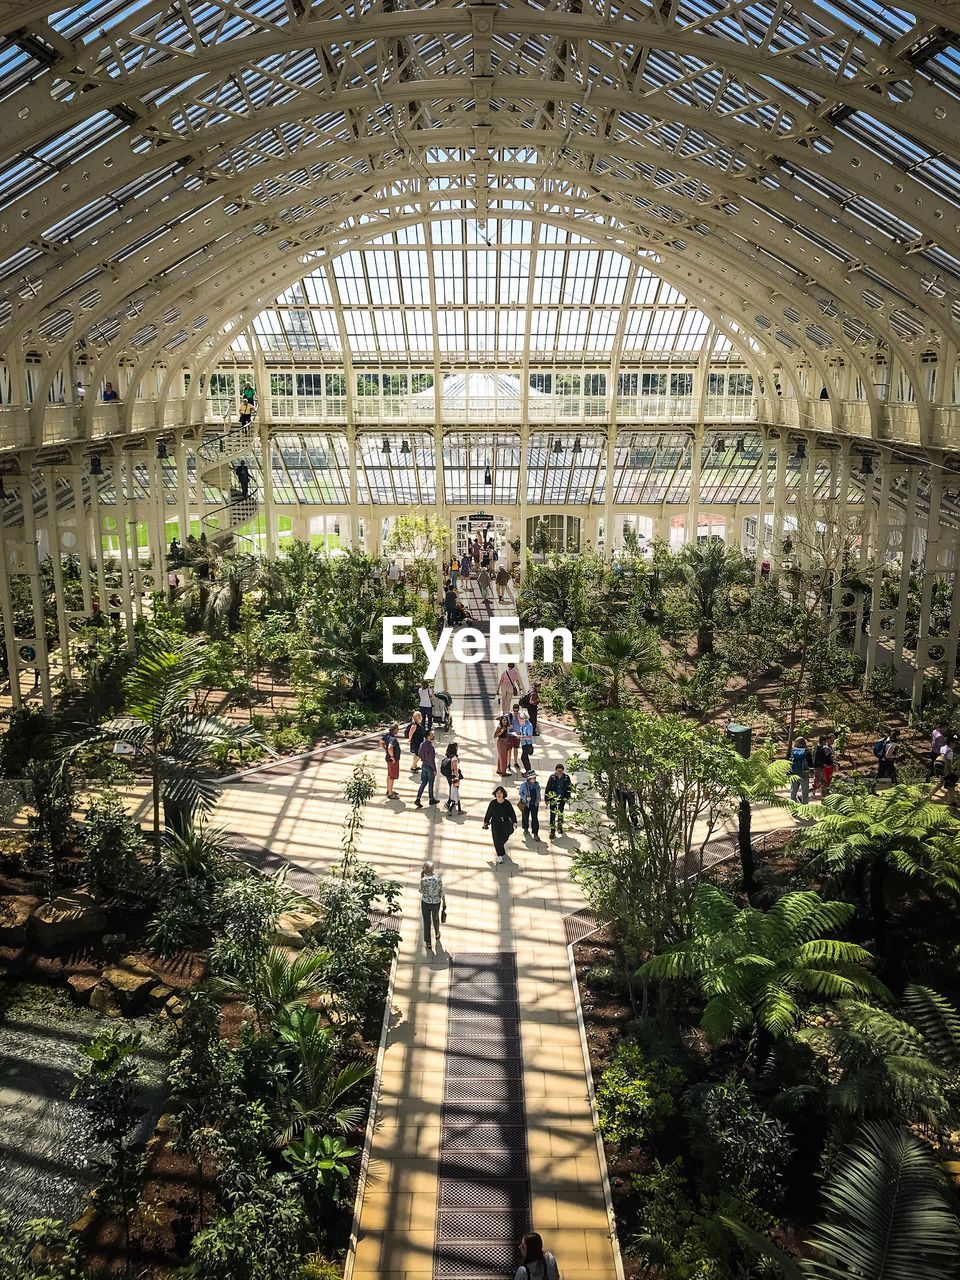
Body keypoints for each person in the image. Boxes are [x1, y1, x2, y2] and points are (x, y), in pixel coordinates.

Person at [483, 785, 518, 864]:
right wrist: (486, 821)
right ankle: (500, 855)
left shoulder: (507, 803)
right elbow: (489, 813)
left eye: (500, 793)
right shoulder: (493, 803)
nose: (498, 794)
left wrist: (514, 821)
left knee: (503, 839)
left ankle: (500, 848)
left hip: (505, 824)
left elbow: (511, 813)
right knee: (496, 840)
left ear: (503, 794)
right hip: (495, 824)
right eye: (497, 793)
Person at [419, 859, 446, 953]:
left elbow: (421, 891)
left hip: (426, 903)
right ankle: (437, 933)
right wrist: (444, 902)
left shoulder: (424, 880)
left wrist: (421, 877)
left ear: (426, 870)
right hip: (436, 903)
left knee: (426, 921)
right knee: (436, 918)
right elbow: (441, 891)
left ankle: (428, 942)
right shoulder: (438, 878)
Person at [545, 763, 572, 839]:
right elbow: (548, 788)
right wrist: (547, 799)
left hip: (562, 797)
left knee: (560, 813)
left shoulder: (566, 778)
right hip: (553, 798)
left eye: (561, 771)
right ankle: (552, 830)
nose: (559, 772)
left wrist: (567, 797)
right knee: (552, 814)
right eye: (558, 771)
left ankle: (560, 827)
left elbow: (569, 788)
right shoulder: (552, 777)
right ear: (556, 771)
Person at [415, 729, 438, 807]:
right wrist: (435, 769)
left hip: (424, 765)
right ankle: (431, 799)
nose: (433, 736)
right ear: (428, 736)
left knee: (423, 783)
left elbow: (419, 754)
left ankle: (418, 798)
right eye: (431, 734)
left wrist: (423, 759)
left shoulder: (422, 744)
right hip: (429, 767)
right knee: (431, 783)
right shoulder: (431, 747)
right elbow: (431, 760)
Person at [789, 737, 813, 804]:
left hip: (794, 774)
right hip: (804, 774)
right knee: (805, 792)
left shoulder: (792, 751)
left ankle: (793, 809)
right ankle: (805, 809)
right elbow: (811, 764)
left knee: (793, 792)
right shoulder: (807, 751)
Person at [518, 770, 542, 840]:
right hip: (526, 804)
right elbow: (520, 793)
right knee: (525, 816)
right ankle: (525, 827)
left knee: (534, 818)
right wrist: (525, 797)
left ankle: (535, 833)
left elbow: (539, 792)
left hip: (534, 804)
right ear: (529, 778)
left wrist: (539, 799)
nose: (534, 779)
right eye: (532, 778)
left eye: (534, 778)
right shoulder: (523, 785)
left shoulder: (537, 785)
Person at [441, 741, 462, 812]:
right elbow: (455, 769)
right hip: (453, 775)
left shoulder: (448, 755)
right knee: (454, 790)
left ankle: (450, 802)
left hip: (448, 775)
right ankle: (451, 803)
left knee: (451, 788)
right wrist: (457, 778)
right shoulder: (454, 758)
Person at [382, 722, 401, 799]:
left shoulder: (386, 736)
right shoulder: (393, 739)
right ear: (395, 730)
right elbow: (390, 747)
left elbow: (380, 742)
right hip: (393, 760)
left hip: (388, 759)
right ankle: (390, 793)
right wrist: (392, 757)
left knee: (389, 775)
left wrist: (385, 749)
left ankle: (389, 790)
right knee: (392, 776)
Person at [514, 706, 534, 773]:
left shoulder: (529, 726)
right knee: (524, 758)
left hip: (527, 744)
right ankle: (528, 771)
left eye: (521, 718)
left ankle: (528, 771)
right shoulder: (523, 724)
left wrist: (522, 737)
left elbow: (530, 736)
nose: (520, 719)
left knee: (524, 758)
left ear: (525, 719)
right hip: (523, 743)